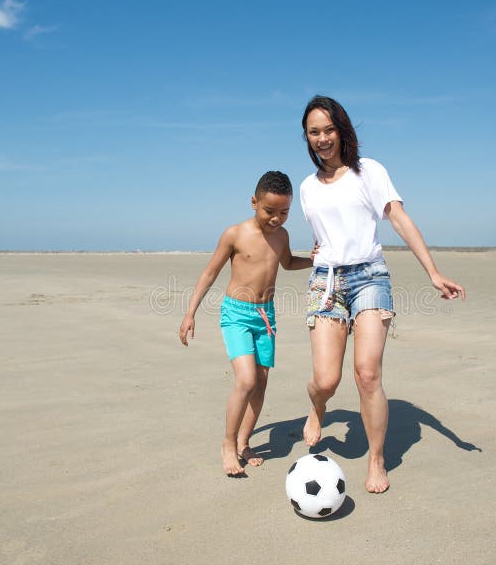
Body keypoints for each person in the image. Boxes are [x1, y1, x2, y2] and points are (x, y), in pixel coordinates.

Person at [299, 95, 466, 493]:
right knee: (325, 380)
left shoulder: (369, 171)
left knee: (367, 373)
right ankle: (317, 406)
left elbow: (398, 218)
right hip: (326, 283)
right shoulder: (307, 187)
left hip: (370, 277)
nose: (322, 139)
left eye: (328, 130)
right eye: (314, 132)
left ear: (341, 129)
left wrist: (433, 271)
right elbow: (322, 237)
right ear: (306, 137)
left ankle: (377, 459)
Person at [179, 171, 315, 476]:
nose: (276, 219)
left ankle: (243, 441)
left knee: (262, 380)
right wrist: (190, 313)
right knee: (247, 380)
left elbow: (288, 263)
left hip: (266, 316)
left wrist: (313, 260)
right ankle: (227, 445)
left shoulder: (282, 236)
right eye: (269, 211)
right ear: (254, 202)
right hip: (236, 314)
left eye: (284, 212)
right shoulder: (235, 234)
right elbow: (209, 274)